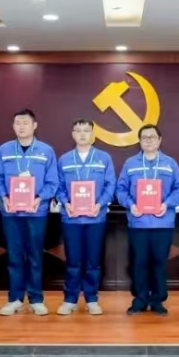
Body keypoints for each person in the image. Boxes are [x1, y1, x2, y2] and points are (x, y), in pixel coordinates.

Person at [0, 109, 59, 316]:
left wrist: (40, 198)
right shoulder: (4, 150)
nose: (21, 126)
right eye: (17, 123)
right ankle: (15, 299)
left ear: (34, 126)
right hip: (11, 212)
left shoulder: (46, 151)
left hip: (36, 212)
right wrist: (4, 196)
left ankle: (36, 299)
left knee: (35, 256)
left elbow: (52, 181)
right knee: (14, 256)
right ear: (13, 126)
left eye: (25, 123)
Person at [116, 124, 179, 316]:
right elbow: (120, 189)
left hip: (162, 222)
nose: (148, 140)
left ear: (159, 140)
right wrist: (130, 205)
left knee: (159, 262)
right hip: (138, 222)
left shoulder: (170, 163)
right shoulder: (130, 163)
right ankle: (139, 300)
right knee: (139, 262)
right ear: (139, 141)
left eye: (152, 137)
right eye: (144, 137)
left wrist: (167, 204)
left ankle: (157, 300)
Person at [55, 118, 116, 316]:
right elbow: (58, 186)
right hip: (71, 218)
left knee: (92, 261)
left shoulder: (104, 158)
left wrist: (100, 203)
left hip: (95, 217)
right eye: (78, 130)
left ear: (93, 134)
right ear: (73, 134)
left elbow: (111, 185)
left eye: (86, 130)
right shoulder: (64, 159)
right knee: (73, 261)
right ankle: (70, 299)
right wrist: (66, 203)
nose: (82, 134)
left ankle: (91, 299)